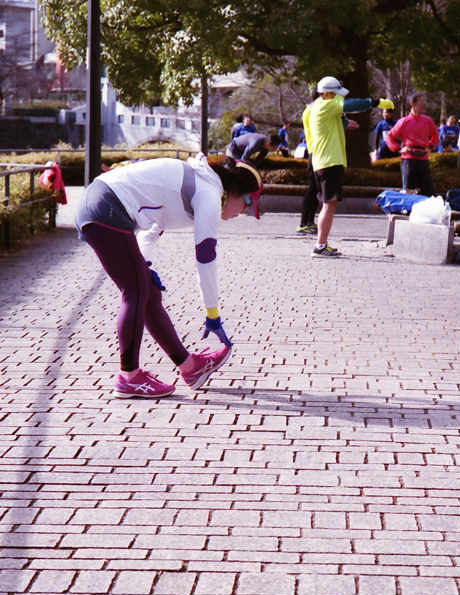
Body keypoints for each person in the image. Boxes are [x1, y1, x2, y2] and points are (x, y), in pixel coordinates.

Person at [74, 155, 262, 398]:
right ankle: (129, 377)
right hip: (106, 208)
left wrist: (147, 264)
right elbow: (206, 260)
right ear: (236, 191)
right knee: (137, 292)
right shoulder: (210, 195)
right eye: (248, 203)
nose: (244, 212)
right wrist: (212, 315)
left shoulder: (199, 184)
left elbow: (152, 229)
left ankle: (190, 368)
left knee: (149, 292)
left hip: (101, 205)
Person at [308, 76, 395, 257]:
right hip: (329, 162)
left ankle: (322, 244)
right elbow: (353, 105)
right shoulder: (326, 104)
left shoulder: (320, 105)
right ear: (325, 93)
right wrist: (378, 102)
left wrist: (345, 123)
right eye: (335, 94)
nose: (339, 98)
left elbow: (333, 121)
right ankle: (320, 246)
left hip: (326, 161)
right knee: (329, 204)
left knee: (329, 204)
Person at [385, 92, 439, 197]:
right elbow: (389, 136)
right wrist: (398, 149)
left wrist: (431, 146)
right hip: (408, 158)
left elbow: (435, 134)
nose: (423, 104)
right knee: (408, 190)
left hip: (423, 158)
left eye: (424, 101)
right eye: (419, 101)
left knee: (429, 190)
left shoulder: (427, 120)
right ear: (412, 104)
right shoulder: (404, 121)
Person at [297, 90, 322, 235]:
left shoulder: (310, 110)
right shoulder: (312, 110)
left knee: (315, 190)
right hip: (315, 152)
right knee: (313, 190)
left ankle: (308, 222)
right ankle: (304, 223)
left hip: (316, 152)